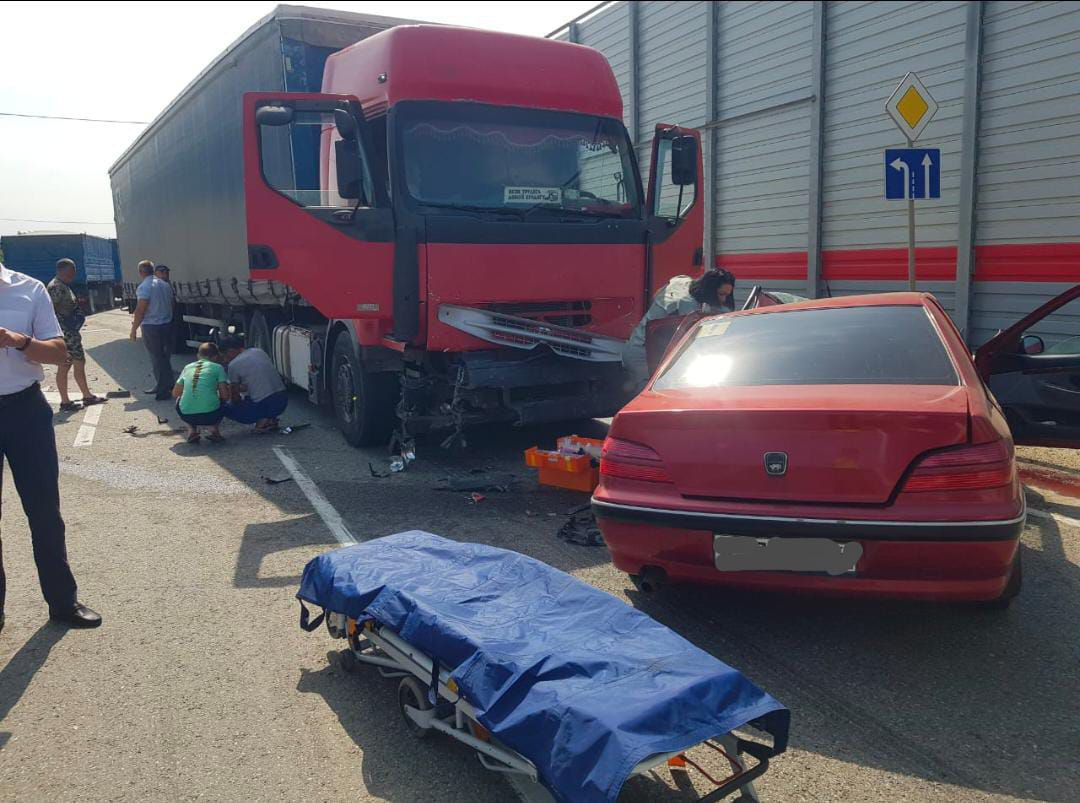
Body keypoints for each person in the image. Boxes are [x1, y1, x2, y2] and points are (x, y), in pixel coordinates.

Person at [0, 260, 101, 633]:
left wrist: (19, 341)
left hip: (24, 409)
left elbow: (60, 353)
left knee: (44, 512)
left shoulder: (29, 289)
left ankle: (62, 602)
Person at [623, 268, 736, 389]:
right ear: (709, 290)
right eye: (721, 294)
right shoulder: (688, 305)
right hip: (641, 355)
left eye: (727, 295)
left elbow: (657, 294)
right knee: (648, 394)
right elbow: (693, 342)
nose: (723, 299)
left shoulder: (682, 280)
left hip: (647, 347)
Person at [47, 258, 105, 412]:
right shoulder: (56, 287)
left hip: (68, 331)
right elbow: (50, 312)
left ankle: (81, 396)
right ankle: (73, 399)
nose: (73, 274)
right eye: (71, 271)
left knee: (69, 364)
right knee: (71, 363)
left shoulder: (62, 285)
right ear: (62, 270)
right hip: (66, 333)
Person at [218, 335, 288, 432]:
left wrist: (232, 402)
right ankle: (270, 418)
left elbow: (235, 396)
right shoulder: (259, 351)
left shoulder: (233, 365)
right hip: (282, 400)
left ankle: (262, 420)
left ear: (231, 351)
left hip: (263, 404)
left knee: (223, 407)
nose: (225, 360)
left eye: (224, 356)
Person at [129, 259, 176, 400]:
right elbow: (172, 304)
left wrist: (134, 329)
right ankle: (169, 384)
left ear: (140, 272)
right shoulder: (165, 285)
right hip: (167, 324)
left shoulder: (145, 287)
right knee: (165, 357)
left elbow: (140, 309)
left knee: (157, 358)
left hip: (152, 326)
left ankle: (163, 389)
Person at [173, 342, 230, 444]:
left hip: (187, 415)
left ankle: (192, 430)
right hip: (211, 415)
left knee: (179, 400)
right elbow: (225, 396)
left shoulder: (187, 367)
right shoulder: (218, 368)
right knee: (223, 400)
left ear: (198, 355)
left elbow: (175, 393)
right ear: (215, 356)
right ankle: (214, 430)